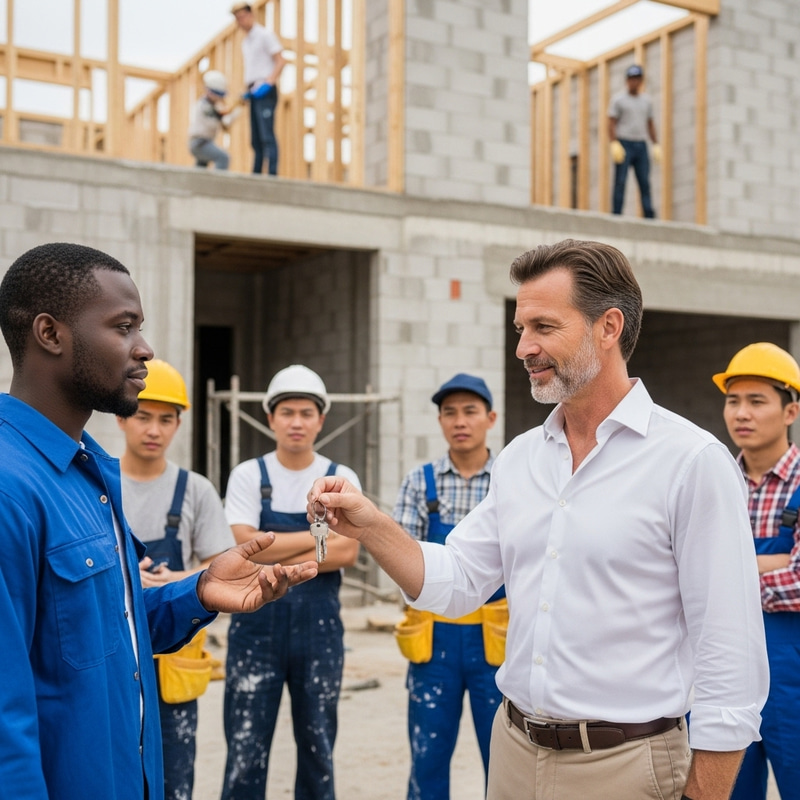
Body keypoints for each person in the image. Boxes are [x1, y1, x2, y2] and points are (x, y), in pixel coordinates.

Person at [308, 239, 770, 800]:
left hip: (627, 767)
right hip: (513, 753)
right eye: (520, 328)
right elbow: (456, 583)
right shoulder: (522, 459)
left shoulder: (691, 463)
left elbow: (731, 659)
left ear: (609, 326)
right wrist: (371, 524)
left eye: (544, 327)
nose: (524, 347)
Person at [0, 242, 317, 800]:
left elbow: (103, 627)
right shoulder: (10, 487)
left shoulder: (89, 472)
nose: (144, 348)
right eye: (123, 327)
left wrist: (196, 591)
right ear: (50, 334)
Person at [220, 364, 360, 800]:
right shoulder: (248, 474)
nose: (296, 421)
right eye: (287, 412)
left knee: (318, 747)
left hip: (319, 633)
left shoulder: (340, 477)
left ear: (320, 420)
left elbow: (348, 552)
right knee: (245, 749)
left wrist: (271, 546)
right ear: (270, 419)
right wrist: (319, 539)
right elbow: (242, 545)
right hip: (254, 629)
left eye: (306, 412)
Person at [116, 358, 236, 800]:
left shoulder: (197, 490)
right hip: (114, 653)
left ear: (179, 424)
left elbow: (222, 568)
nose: (154, 430)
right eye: (143, 416)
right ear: (121, 416)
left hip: (175, 663)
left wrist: (170, 581)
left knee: (174, 779)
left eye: (166, 420)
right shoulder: (99, 482)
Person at [393, 373, 505, 800]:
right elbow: (402, 559)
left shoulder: (511, 478)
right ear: (439, 420)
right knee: (428, 759)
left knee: (504, 760)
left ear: (490, 417)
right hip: (433, 640)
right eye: (449, 412)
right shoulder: (420, 482)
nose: (460, 421)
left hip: (496, 641)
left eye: (470, 411)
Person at [713, 343, 800, 800]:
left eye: (756, 401)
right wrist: (773, 563)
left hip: (794, 684)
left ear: (791, 412)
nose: (741, 413)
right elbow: (679, 570)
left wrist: (724, 571)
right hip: (722, 681)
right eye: (733, 401)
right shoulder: (711, 480)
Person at [231, 2, 286, 176]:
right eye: (237, 19)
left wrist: (268, 83)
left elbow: (280, 60)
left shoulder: (264, 35)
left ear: (251, 15)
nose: (240, 21)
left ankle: (272, 174)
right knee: (255, 138)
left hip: (265, 91)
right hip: (254, 91)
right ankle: (256, 174)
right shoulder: (245, 42)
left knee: (266, 134)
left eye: (242, 17)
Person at [608, 64, 661, 218]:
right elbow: (611, 122)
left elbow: (650, 124)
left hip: (641, 145)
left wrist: (656, 143)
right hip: (624, 143)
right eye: (631, 79)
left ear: (641, 80)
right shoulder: (618, 100)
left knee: (644, 182)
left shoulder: (646, 101)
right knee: (620, 182)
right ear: (627, 80)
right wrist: (614, 142)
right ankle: (616, 215)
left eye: (637, 79)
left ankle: (649, 216)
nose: (634, 82)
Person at [188, 70, 239, 170]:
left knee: (201, 169)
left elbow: (224, 121)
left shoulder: (210, 106)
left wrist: (236, 109)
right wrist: (237, 110)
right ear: (209, 91)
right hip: (200, 143)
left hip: (202, 142)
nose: (220, 98)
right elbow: (224, 122)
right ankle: (218, 185)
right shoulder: (205, 107)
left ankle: (197, 185)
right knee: (223, 158)